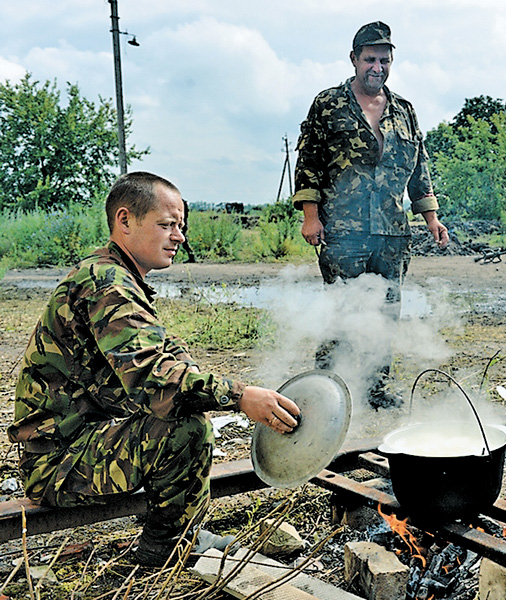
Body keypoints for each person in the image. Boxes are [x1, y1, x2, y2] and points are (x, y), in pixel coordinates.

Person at [9, 171, 301, 567]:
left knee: (180, 412)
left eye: (180, 226)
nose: (179, 236)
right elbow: (151, 378)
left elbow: (168, 358)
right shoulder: (106, 282)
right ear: (124, 220)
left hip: (85, 440)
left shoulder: (121, 278)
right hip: (59, 463)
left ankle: (186, 531)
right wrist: (240, 396)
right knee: (187, 431)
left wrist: (225, 389)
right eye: (166, 225)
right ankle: (162, 554)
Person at [291, 21, 449, 409]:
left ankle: (376, 389)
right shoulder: (329, 103)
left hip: (393, 232)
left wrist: (430, 218)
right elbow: (309, 160)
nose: (377, 67)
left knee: (386, 312)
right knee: (341, 312)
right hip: (344, 231)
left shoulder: (405, 111)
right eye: (369, 59)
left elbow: (419, 168)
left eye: (384, 60)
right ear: (354, 59)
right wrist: (311, 216)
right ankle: (326, 390)